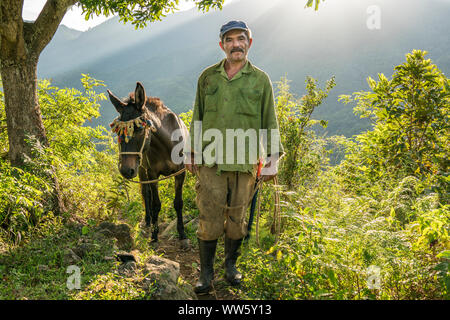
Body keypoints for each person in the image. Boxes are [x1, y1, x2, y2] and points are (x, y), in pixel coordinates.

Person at [184, 20, 284, 294]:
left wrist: (273, 158)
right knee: (209, 217)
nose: (235, 44)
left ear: (249, 43)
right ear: (222, 45)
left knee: (237, 220)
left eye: (241, 39)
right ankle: (206, 273)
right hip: (210, 161)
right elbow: (197, 116)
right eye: (229, 40)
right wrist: (191, 151)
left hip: (245, 162)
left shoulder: (260, 80)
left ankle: (230, 266)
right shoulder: (207, 77)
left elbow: (269, 121)